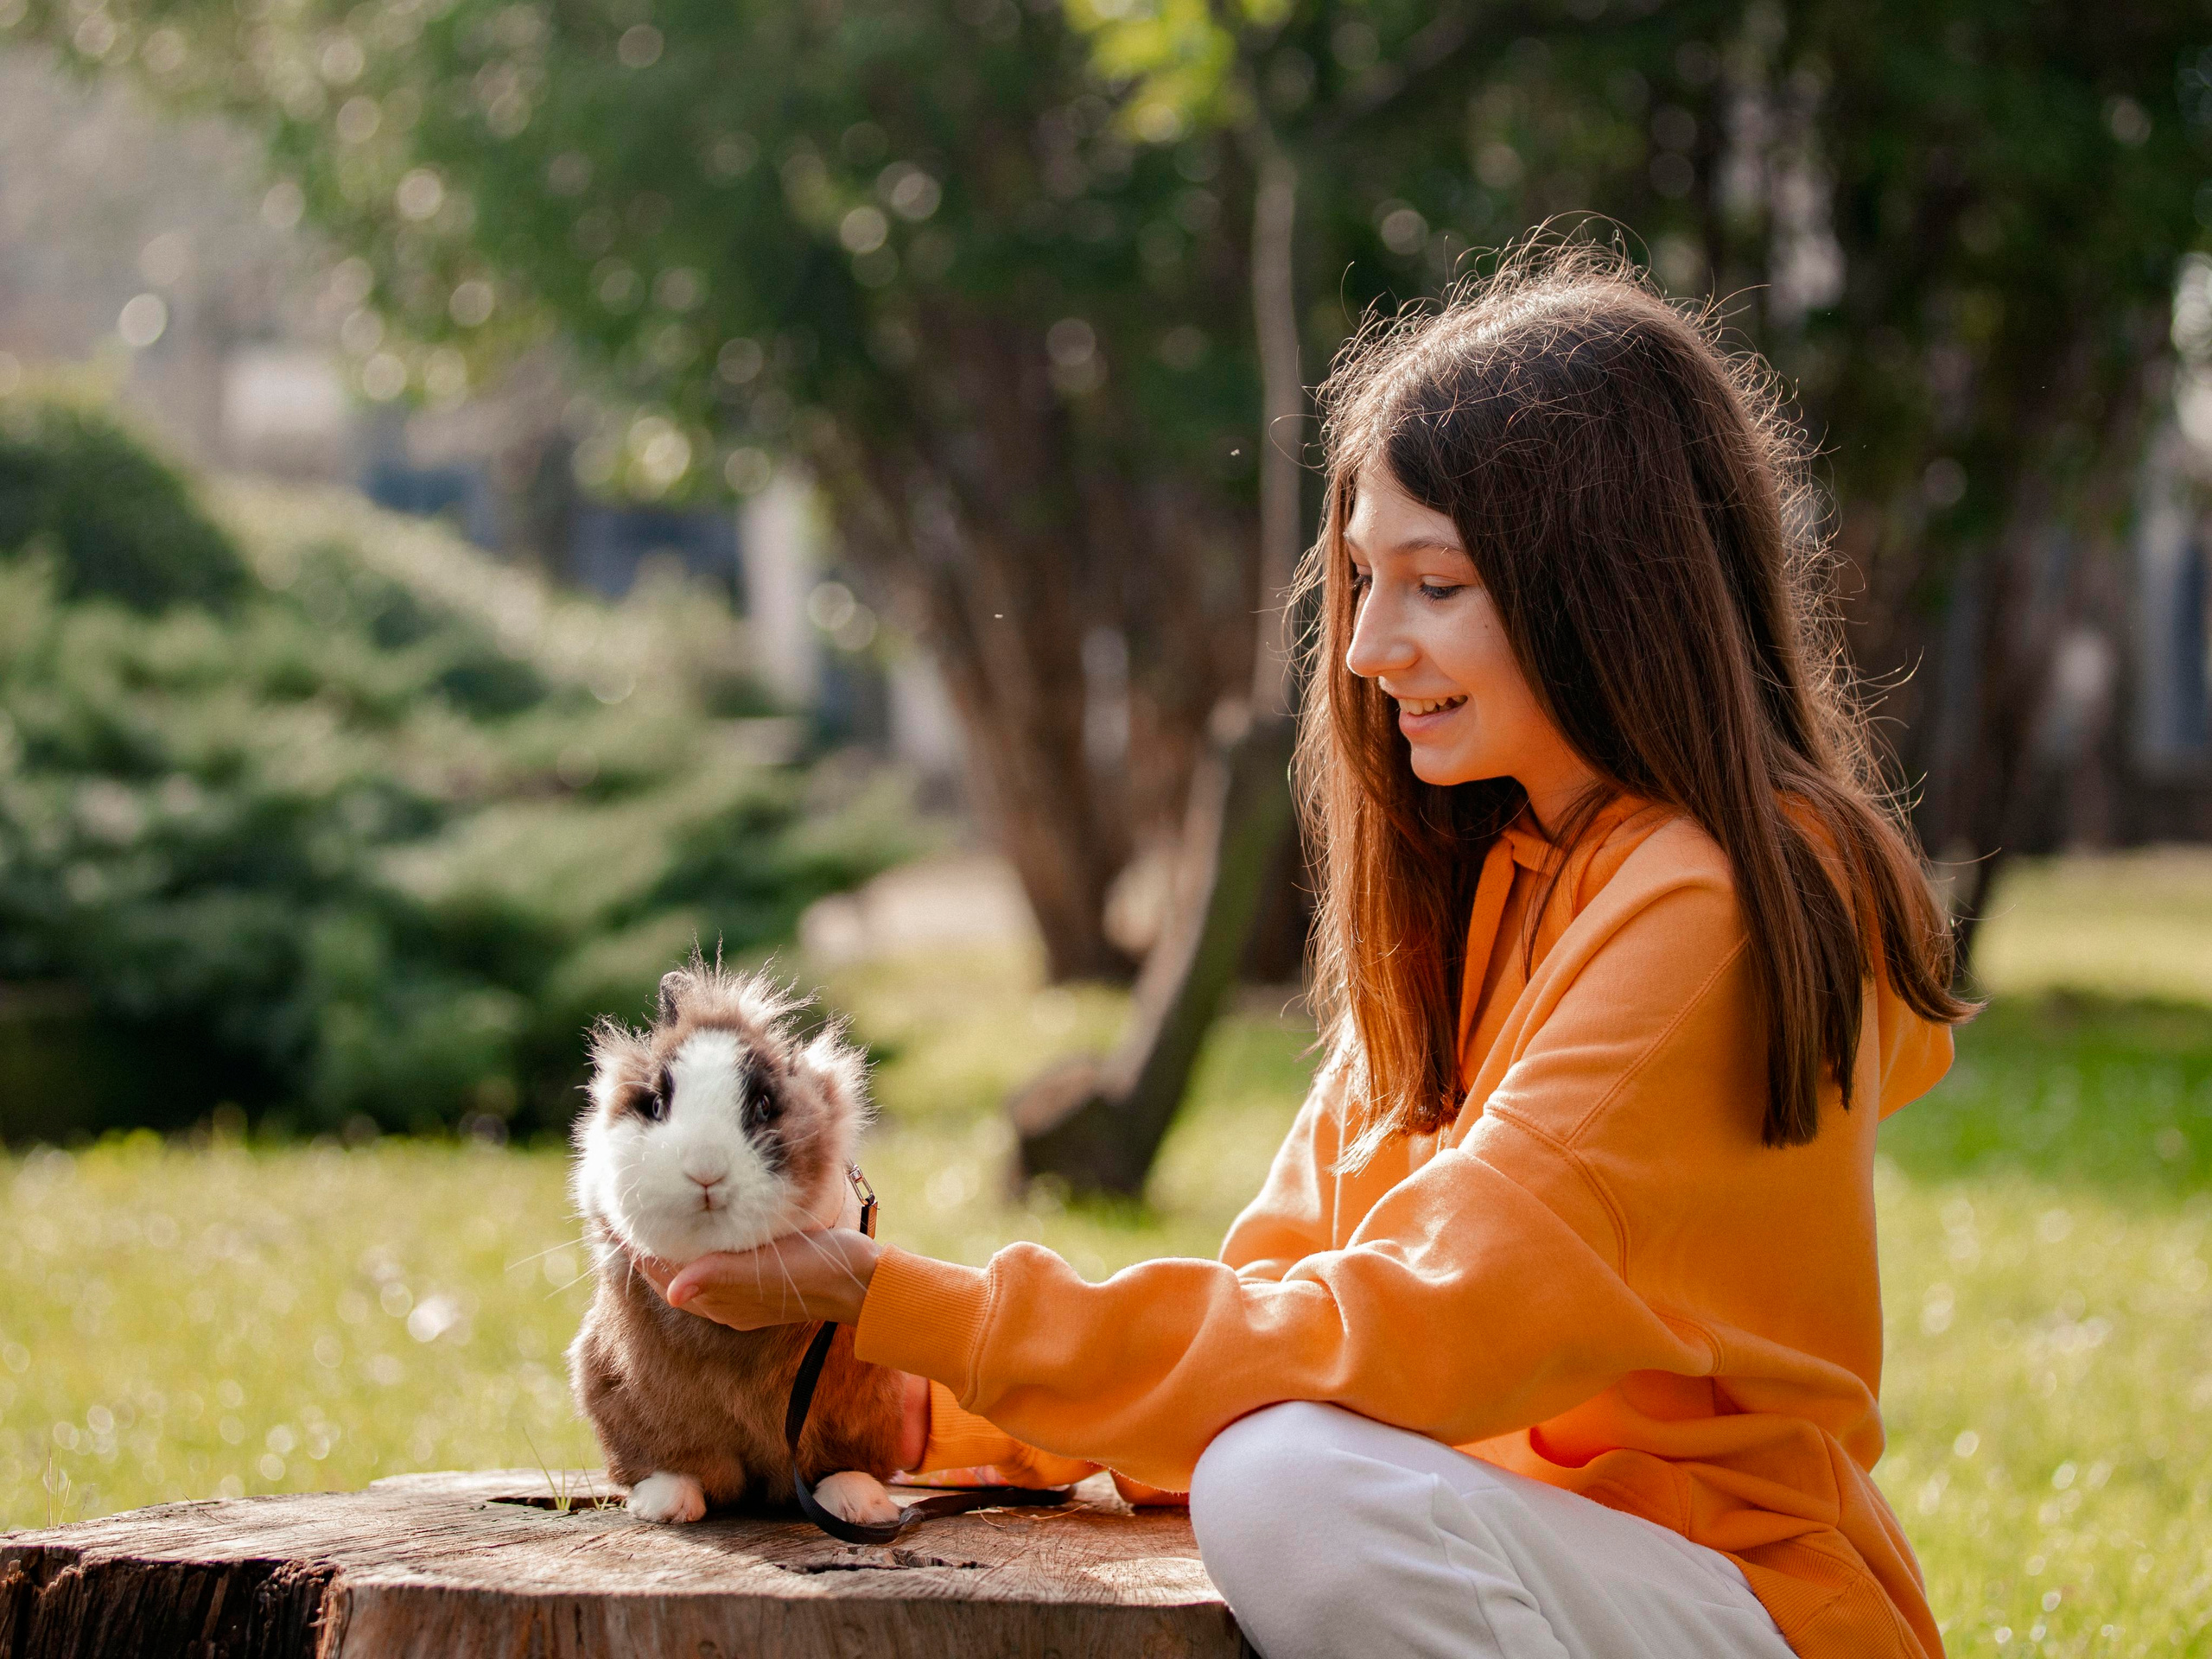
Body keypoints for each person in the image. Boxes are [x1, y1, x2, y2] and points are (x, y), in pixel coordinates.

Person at [639, 243, 1975, 1659]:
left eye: (1435, 585)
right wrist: (911, 1408)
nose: (1367, 647)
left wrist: (919, 1306)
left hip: (1738, 1599)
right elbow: (1277, 1310)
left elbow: (1398, 1336)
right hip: (1534, 1563)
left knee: (1288, 1485)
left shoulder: (1706, 907)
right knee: (1274, 1459)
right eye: (1361, 580)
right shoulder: (1472, 887)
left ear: (1605, 585)